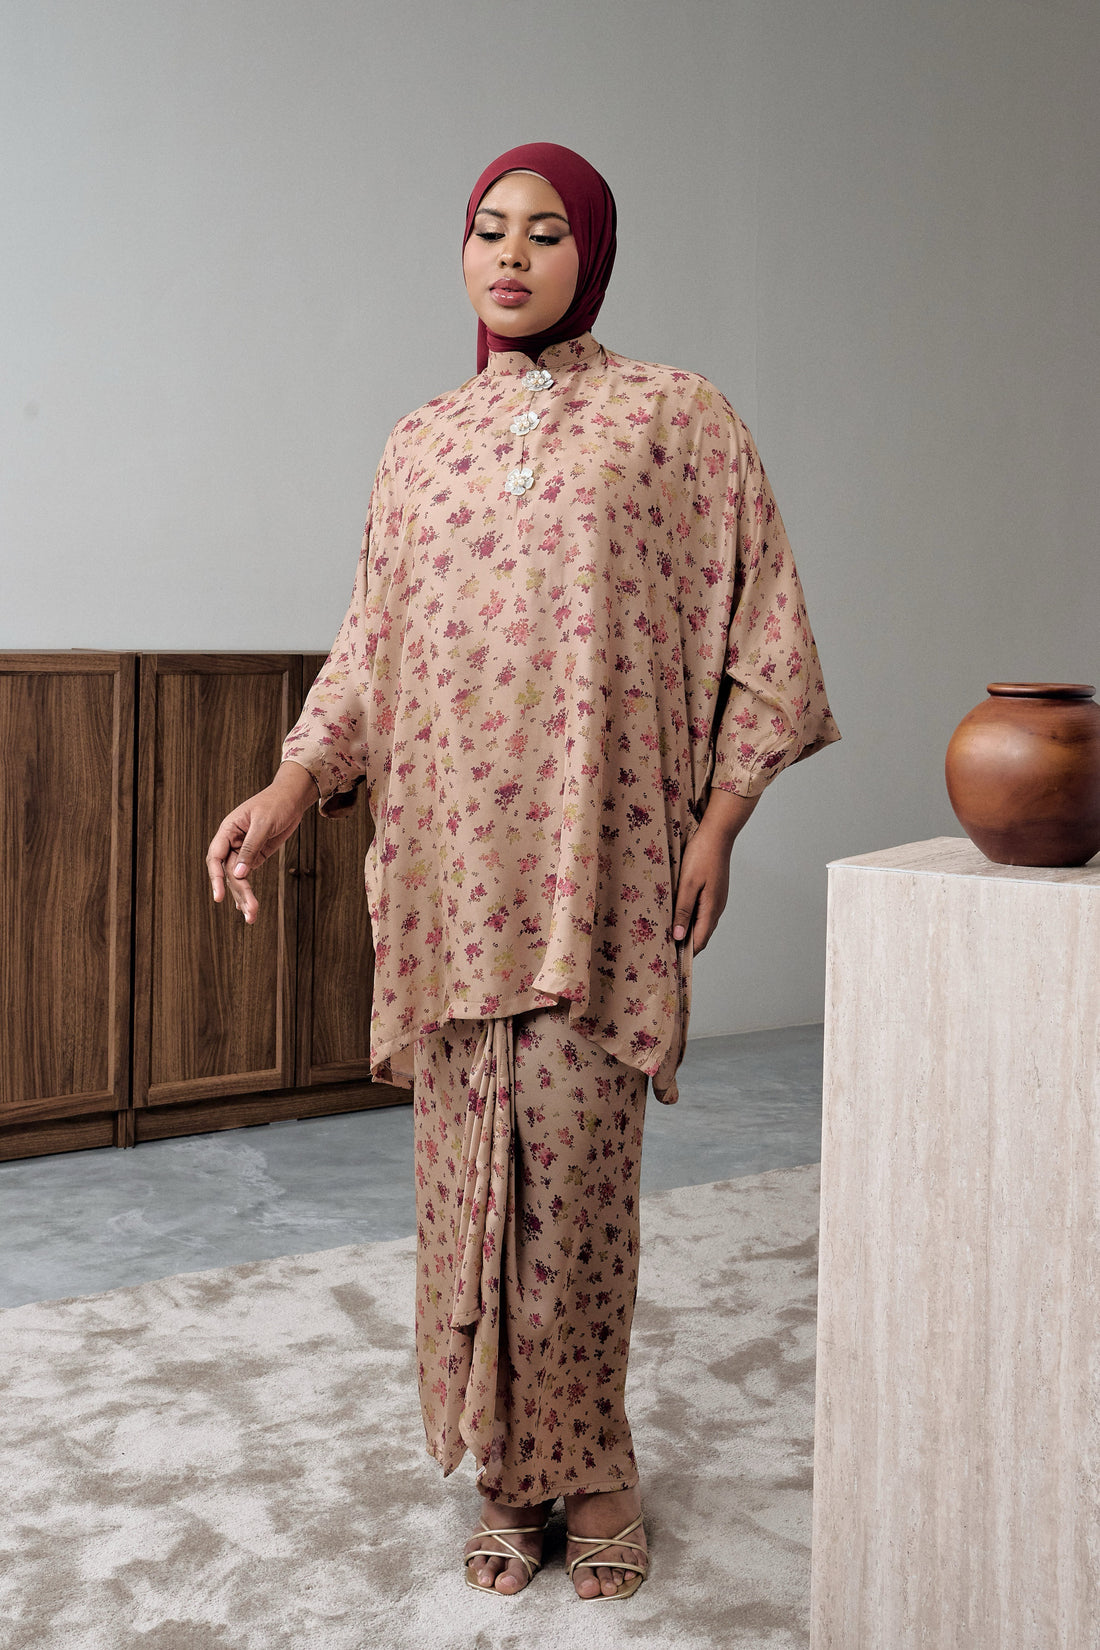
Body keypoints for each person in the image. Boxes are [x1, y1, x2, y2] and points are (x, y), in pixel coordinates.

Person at [206, 141, 839, 1602]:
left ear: (591, 254)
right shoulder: (419, 444)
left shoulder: (675, 422)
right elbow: (371, 646)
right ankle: (507, 1470)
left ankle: (595, 1463)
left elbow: (762, 625)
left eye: (547, 233)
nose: (511, 256)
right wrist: (293, 784)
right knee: (463, 1187)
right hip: (446, 878)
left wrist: (718, 823)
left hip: (592, 869)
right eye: (489, 229)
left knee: (577, 1183)